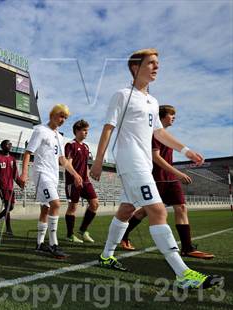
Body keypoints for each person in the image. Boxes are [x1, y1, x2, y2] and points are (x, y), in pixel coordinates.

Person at [90, 48, 222, 289]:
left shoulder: (153, 101)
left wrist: (186, 150)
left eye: (157, 63)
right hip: (131, 160)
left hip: (143, 162)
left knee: (127, 209)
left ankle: (106, 256)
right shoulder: (122, 95)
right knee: (158, 210)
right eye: (151, 63)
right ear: (135, 68)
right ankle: (183, 274)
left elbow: (158, 133)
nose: (156, 67)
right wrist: (98, 160)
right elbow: (108, 128)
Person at [120, 105, 214, 259]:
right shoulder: (153, 134)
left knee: (181, 207)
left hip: (170, 179)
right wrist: (178, 173)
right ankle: (123, 236)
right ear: (162, 116)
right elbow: (156, 157)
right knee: (144, 211)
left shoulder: (166, 136)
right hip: (157, 179)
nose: (174, 118)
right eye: (171, 115)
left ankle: (187, 248)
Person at [21, 104, 83, 259]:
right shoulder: (40, 130)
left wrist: (75, 174)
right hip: (42, 174)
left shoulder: (59, 136)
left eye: (65, 118)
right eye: (61, 116)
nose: (63, 120)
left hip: (53, 176)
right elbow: (28, 153)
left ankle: (39, 244)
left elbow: (62, 160)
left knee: (45, 209)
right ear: (53, 115)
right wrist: (23, 174)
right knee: (56, 204)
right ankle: (54, 245)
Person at [64, 120, 98, 243]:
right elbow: (68, 163)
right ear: (77, 131)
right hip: (73, 181)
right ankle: (70, 235)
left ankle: (83, 230)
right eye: (84, 130)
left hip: (85, 180)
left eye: (87, 131)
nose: (86, 133)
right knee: (73, 207)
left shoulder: (86, 147)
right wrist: (75, 175)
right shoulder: (70, 144)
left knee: (95, 204)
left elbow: (85, 164)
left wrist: (89, 174)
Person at [0, 139, 23, 236]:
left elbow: (15, 175)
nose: (10, 145)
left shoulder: (12, 159)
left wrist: (20, 183)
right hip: (2, 187)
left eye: (11, 144)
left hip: (10, 187)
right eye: (8, 144)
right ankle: (8, 229)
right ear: (3, 146)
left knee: (11, 206)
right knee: (8, 206)